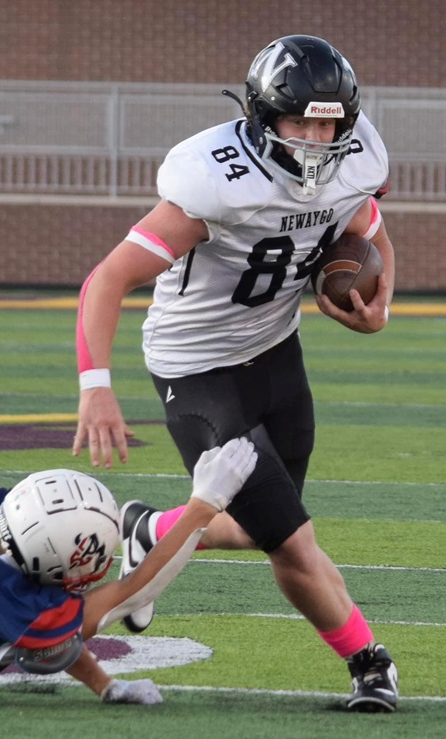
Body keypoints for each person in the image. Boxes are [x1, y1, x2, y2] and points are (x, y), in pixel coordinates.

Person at [72, 35, 398, 712]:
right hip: (196, 368)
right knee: (291, 538)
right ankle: (369, 661)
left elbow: (368, 224)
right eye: (299, 121)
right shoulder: (213, 178)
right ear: (261, 117)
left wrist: (378, 304)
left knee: (257, 526)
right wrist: (95, 385)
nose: (315, 137)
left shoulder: (356, 155)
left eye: (327, 123)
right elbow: (108, 279)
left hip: (276, 352)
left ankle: (149, 529)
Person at [0, 437, 257, 700]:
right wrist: (203, 506)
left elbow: (56, 629)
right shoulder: (12, 604)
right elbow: (131, 594)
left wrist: (104, 685)